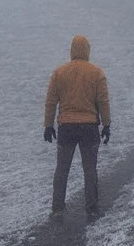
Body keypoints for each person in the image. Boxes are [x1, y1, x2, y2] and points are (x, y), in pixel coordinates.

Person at [43, 34, 111, 220]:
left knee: (62, 170)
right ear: (87, 50)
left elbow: (51, 101)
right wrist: (106, 124)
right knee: (90, 170)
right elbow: (103, 101)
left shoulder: (59, 73)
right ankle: (92, 207)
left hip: (66, 128)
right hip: (89, 128)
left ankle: (57, 208)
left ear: (72, 50)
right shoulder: (96, 73)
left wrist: (48, 125)